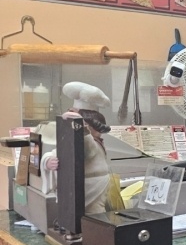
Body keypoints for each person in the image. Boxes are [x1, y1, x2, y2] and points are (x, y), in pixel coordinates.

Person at [40, 82, 124, 215]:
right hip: (80, 186)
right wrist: (47, 161)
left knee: (95, 214)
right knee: (79, 216)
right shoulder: (74, 141)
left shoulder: (93, 143)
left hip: (95, 186)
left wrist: (81, 128)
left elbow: (87, 148)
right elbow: (58, 153)